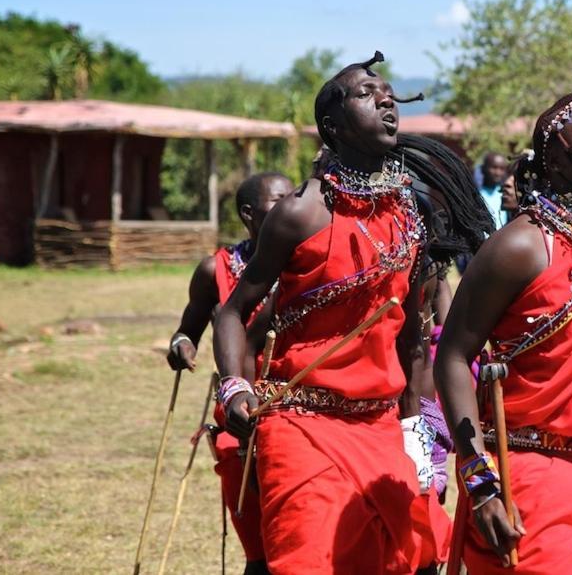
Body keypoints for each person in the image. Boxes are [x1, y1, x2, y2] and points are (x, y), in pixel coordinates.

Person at [212, 52, 478, 574]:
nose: (384, 97)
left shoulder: (411, 217)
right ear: (331, 126)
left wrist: (413, 428)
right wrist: (235, 387)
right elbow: (232, 312)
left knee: (413, 561)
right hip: (300, 423)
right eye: (364, 93)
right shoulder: (299, 214)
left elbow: (412, 341)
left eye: (386, 91)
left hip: (381, 427)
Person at [435, 90, 572, 574]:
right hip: (528, 481)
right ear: (556, 158)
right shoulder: (519, 246)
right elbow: (452, 357)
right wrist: (479, 481)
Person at [167, 170, 293, 575]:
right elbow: (188, 330)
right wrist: (181, 347)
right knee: (258, 550)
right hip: (239, 419)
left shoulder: (307, 266)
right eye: (279, 201)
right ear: (249, 214)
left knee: (295, 542)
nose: (292, 207)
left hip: (299, 413)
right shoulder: (215, 270)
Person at [478, 152, 509, 230]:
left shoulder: (506, 194)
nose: (497, 173)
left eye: (501, 169)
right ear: (483, 169)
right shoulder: (476, 194)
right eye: (494, 167)